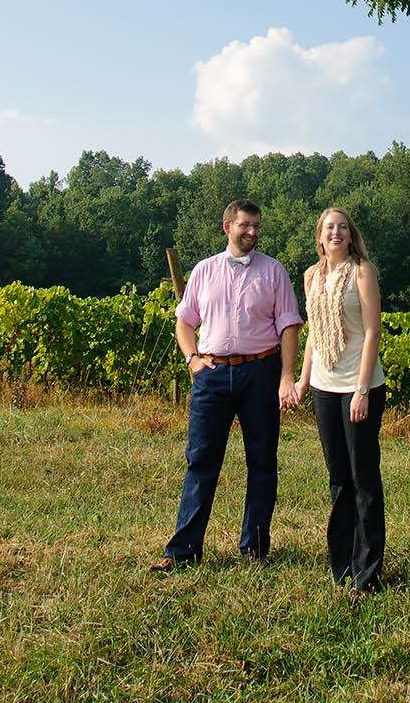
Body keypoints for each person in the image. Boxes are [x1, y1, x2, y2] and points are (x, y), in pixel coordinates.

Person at [152, 199, 302, 570]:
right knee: (200, 462)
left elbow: (289, 325)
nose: (252, 232)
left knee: (262, 462)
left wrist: (286, 376)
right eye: (245, 225)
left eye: (256, 226)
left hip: (261, 373)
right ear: (227, 227)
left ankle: (254, 550)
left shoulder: (274, 272)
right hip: (212, 375)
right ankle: (183, 552)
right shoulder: (204, 271)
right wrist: (193, 360)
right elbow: (184, 321)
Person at [292, 206, 387, 593]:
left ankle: (368, 571)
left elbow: (372, 331)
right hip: (323, 387)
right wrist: (302, 380)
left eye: (342, 227)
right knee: (337, 477)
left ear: (350, 236)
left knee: (362, 476)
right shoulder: (311, 276)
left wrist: (362, 390)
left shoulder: (362, 271)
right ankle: (342, 564)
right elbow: (315, 331)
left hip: (358, 387)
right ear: (320, 236)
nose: (336, 233)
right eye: (330, 227)